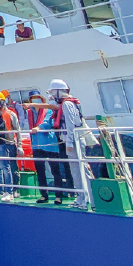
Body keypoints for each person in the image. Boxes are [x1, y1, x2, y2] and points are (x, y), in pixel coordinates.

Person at [47, 79, 90, 210]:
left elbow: (71, 125)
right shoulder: (68, 103)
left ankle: (86, 199)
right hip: (72, 139)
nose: (52, 96)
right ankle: (81, 197)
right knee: (76, 170)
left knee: (80, 170)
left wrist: (70, 142)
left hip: (74, 141)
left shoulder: (67, 104)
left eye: (53, 92)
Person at [25, 89, 69, 203]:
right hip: (36, 145)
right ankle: (43, 195)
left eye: (37, 98)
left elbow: (48, 122)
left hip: (50, 144)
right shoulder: (29, 112)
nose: (35, 100)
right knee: (40, 171)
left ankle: (58, 195)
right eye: (33, 98)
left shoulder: (48, 109)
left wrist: (38, 128)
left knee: (55, 170)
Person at [0, 90, 24, 197]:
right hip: (0, 145)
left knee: (13, 167)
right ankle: (5, 189)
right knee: (3, 168)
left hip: (10, 144)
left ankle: (15, 189)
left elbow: (18, 130)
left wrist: (20, 146)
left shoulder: (11, 113)